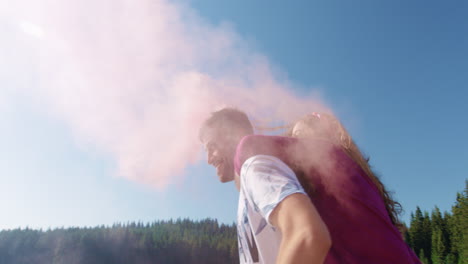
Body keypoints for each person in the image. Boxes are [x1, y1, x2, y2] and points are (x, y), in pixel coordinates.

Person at [199, 107, 421, 264]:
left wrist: (243, 154)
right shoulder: (360, 186)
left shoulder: (332, 159)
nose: (296, 146)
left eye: (299, 138)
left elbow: (307, 234)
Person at [199, 108, 331, 264]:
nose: (208, 159)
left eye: (212, 147)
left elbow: (306, 234)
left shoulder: (255, 168)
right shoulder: (252, 178)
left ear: (234, 136)